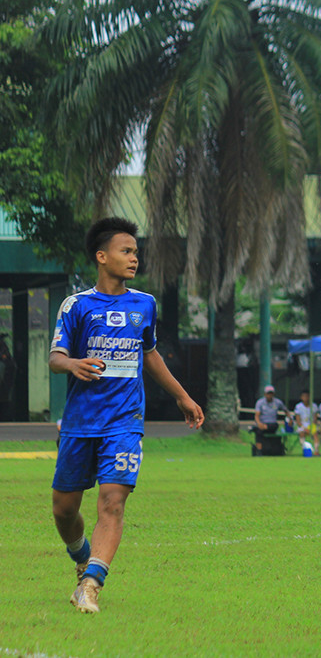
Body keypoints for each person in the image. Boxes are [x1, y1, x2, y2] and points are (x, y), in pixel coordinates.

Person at [49, 216, 204, 614]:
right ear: (102, 257)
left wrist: (184, 397)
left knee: (112, 503)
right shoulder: (77, 305)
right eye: (126, 251)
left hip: (125, 421)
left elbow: (149, 354)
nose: (135, 258)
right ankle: (82, 556)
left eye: (136, 252)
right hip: (81, 422)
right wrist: (73, 365)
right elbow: (55, 357)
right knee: (64, 511)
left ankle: (91, 584)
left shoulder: (144, 304)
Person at [252, 385, 288, 456]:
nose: (269, 395)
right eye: (268, 393)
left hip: (272, 424)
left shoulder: (278, 402)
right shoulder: (260, 402)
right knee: (258, 432)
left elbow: (286, 410)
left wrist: (289, 419)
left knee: (273, 425)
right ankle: (259, 451)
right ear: (265, 394)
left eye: (271, 394)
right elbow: (257, 415)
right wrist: (259, 423)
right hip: (262, 423)